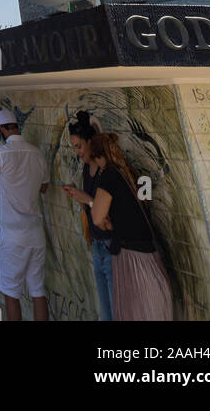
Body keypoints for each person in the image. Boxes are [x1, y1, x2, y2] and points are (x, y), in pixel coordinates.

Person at [88, 132, 173, 321]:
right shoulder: (128, 173)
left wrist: (104, 220)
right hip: (150, 256)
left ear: (98, 157)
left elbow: (96, 217)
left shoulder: (109, 175)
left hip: (132, 259)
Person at [0, 107, 49, 322]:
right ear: (17, 127)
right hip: (36, 235)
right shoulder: (36, 153)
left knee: (11, 293)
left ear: (0, 130)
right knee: (38, 292)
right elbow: (44, 188)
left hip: (12, 237)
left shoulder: (1, 153)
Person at [62, 110, 113, 322]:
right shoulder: (86, 168)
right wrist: (81, 196)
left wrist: (88, 199)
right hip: (97, 244)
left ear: (90, 142)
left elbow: (110, 212)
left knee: (116, 310)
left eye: (79, 146)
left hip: (112, 246)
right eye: (74, 147)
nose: (77, 152)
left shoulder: (107, 170)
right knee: (106, 312)